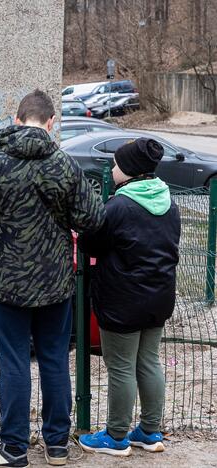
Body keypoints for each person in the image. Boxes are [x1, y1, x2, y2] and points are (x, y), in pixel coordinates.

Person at [0, 89, 106, 467]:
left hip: (7, 284)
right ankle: (57, 445)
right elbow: (92, 218)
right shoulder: (65, 165)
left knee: (14, 363)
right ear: (51, 122)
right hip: (56, 283)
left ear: (18, 119)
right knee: (55, 360)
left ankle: (13, 448)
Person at [77, 138, 180, 456]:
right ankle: (150, 431)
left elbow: (90, 244)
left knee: (120, 367)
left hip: (123, 300)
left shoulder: (119, 206)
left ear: (131, 171)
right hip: (159, 297)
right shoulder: (168, 203)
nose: (113, 168)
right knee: (148, 361)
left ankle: (116, 436)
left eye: (117, 164)